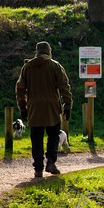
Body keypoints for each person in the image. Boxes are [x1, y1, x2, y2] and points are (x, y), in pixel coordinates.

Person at [16, 41, 72, 178]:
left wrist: (22, 106)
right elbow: (64, 86)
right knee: (53, 135)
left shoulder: (27, 67)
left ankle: (38, 168)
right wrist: (68, 104)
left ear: (37, 51)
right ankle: (51, 161)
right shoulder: (55, 66)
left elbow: (20, 88)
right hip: (52, 106)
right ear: (49, 51)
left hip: (34, 107)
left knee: (36, 138)